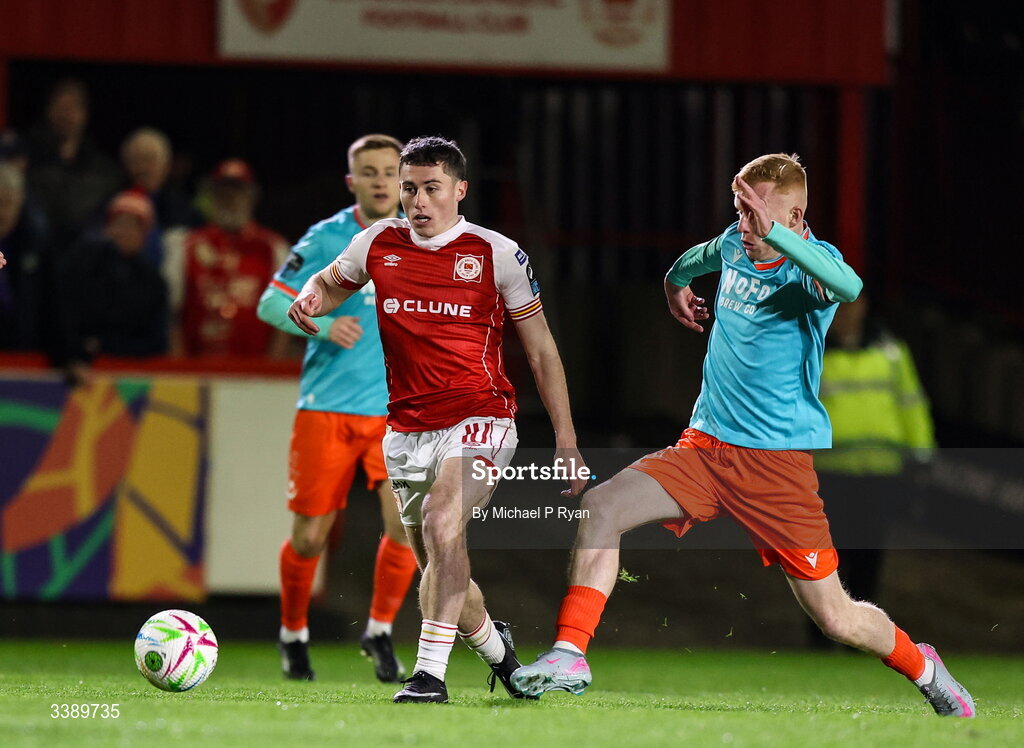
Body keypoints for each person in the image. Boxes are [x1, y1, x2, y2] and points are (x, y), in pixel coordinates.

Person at [510, 153, 975, 719]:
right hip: (704, 448)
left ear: (794, 214)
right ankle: (568, 654)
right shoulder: (734, 243)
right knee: (601, 506)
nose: (745, 227)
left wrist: (775, 233)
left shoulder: (812, 268)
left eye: (758, 216)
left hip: (776, 467)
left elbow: (848, 286)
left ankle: (924, 666)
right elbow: (692, 260)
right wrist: (673, 285)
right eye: (740, 211)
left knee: (836, 618)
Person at [288, 136, 587, 703]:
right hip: (405, 431)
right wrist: (308, 299)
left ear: (459, 191)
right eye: (408, 190)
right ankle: (501, 655)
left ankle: (428, 676)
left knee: (442, 516)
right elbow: (329, 283)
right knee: (441, 568)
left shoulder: (496, 253)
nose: (418, 202)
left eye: (430, 189)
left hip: (481, 417)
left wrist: (566, 439)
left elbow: (543, 352)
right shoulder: (377, 243)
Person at [256, 134, 419, 682]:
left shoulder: (426, 238)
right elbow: (270, 302)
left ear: (405, 179)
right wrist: (324, 325)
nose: (379, 180)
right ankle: (293, 633)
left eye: (389, 171)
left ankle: (379, 631)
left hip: (397, 413)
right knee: (310, 536)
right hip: (326, 407)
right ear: (352, 182)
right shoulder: (327, 238)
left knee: (404, 525)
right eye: (367, 172)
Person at [806, 294, 936, 646]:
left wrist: (922, 457)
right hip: (828, 473)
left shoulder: (892, 351)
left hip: (880, 473)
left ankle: (860, 640)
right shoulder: (813, 351)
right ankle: (821, 639)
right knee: (825, 559)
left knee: (867, 560)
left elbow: (912, 406)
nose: (846, 313)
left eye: (852, 304)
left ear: (864, 306)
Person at [176, 159, 288, 356]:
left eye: (238, 191)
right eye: (223, 192)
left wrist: (271, 372)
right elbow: (173, 316)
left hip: (252, 374)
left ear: (251, 196)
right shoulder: (187, 247)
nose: (230, 198)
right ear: (212, 196)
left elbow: (285, 317)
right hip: (198, 371)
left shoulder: (273, 248)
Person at [54, 190, 168, 380]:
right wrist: (75, 352)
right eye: (119, 223)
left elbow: (156, 341)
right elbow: (63, 314)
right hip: (77, 370)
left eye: (133, 225)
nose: (123, 231)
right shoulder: (81, 264)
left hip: (131, 379)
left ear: (145, 234)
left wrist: (104, 345)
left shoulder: (153, 281)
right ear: (107, 227)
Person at [0, 163, 48, 350]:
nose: (2, 213)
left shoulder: (34, 242)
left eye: (8, 204)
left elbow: (51, 300)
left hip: (23, 352)